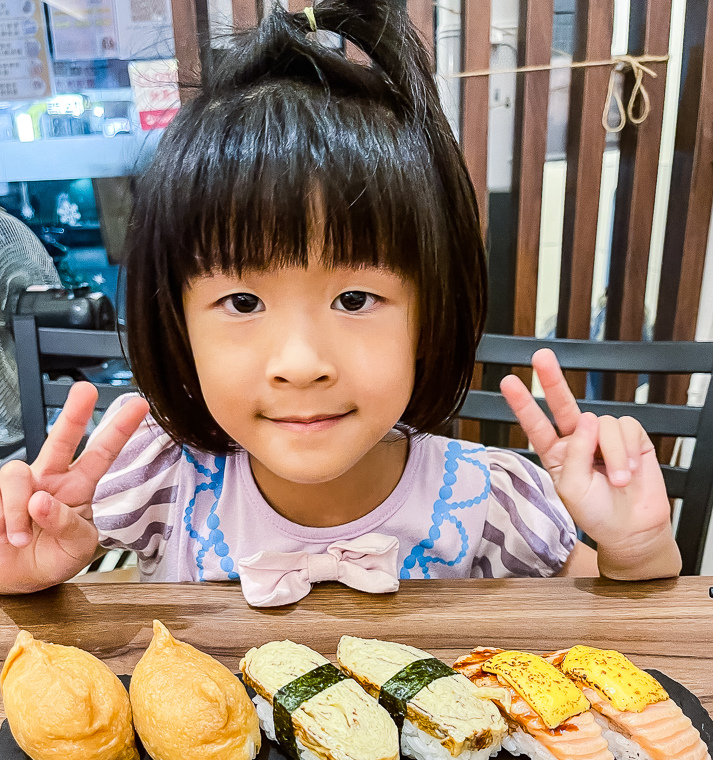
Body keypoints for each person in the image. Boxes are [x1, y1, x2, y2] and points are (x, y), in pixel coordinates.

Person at [0, 0, 680, 603]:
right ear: (176, 323)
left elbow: (627, 643)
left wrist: (637, 550)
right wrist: (27, 574)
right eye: (241, 302)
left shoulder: (491, 502)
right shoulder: (158, 478)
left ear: (428, 313)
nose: (300, 363)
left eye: (354, 298)